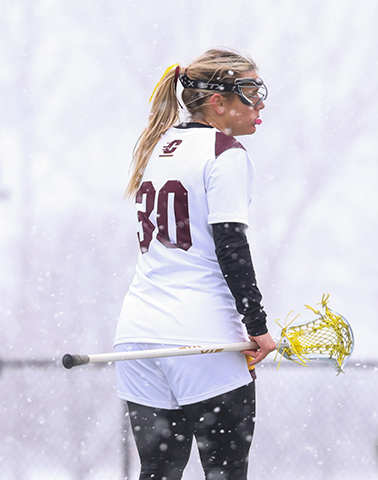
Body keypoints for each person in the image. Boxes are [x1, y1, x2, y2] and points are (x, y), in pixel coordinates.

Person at [114, 48, 277, 480]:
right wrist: (256, 327)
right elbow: (231, 247)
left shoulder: (157, 146)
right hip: (201, 336)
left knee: (158, 470)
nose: (259, 104)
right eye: (249, 92)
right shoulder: (227, 153)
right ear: (217, 101)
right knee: (225, 471)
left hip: (137, 335)